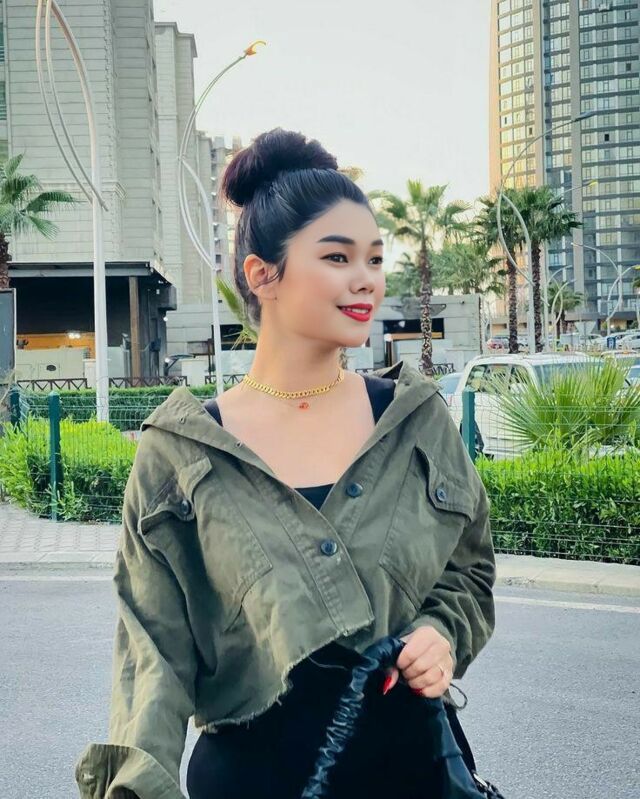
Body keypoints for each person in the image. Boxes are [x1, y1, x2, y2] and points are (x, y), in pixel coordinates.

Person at [74, 128, 496, 799]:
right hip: (251, 779)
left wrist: (441, 633)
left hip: (413, 773)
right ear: (261, 275)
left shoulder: (415, 421)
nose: (365, 278)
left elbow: (467, 572)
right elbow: (152, 655)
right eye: (336, 256)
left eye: (374, 257)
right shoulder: (182, 451)